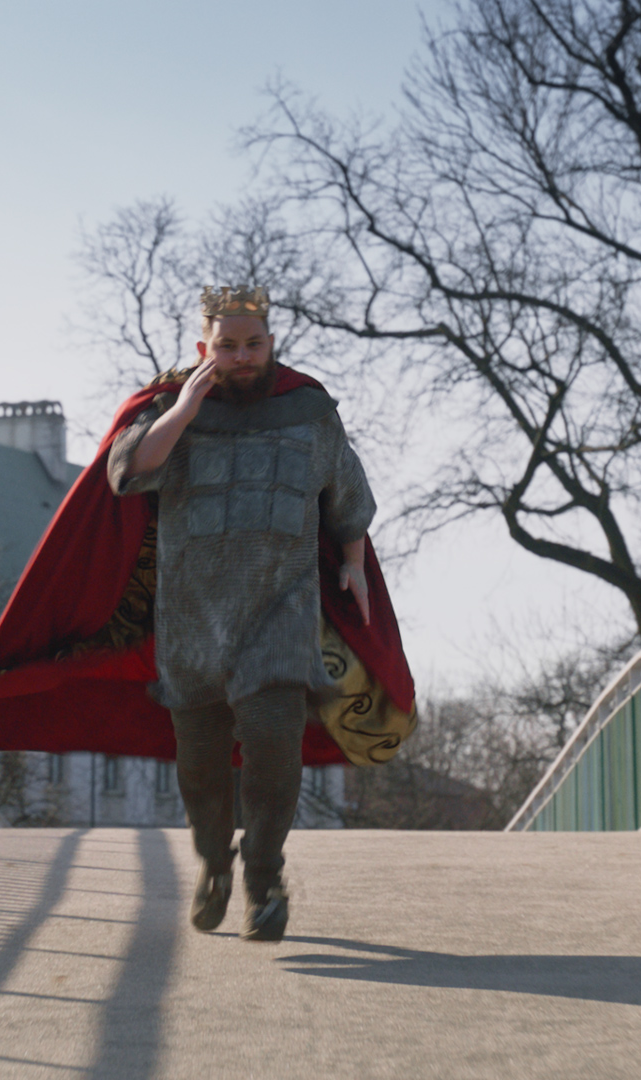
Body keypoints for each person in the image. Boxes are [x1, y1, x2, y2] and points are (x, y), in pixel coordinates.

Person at [103, 286, 377, 942]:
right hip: (193, 617)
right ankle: (214, 863)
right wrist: (186, 408)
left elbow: (347, 494)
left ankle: (264, 880)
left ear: (271, 343)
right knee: (201, 764)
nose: (243, 356)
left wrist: (355, 564)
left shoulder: (308, 414)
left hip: (280, 613)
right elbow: (126, 471)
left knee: (274, 744)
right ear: (205, 348)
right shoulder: (170, 412)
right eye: (227, 346)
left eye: (254, 344)